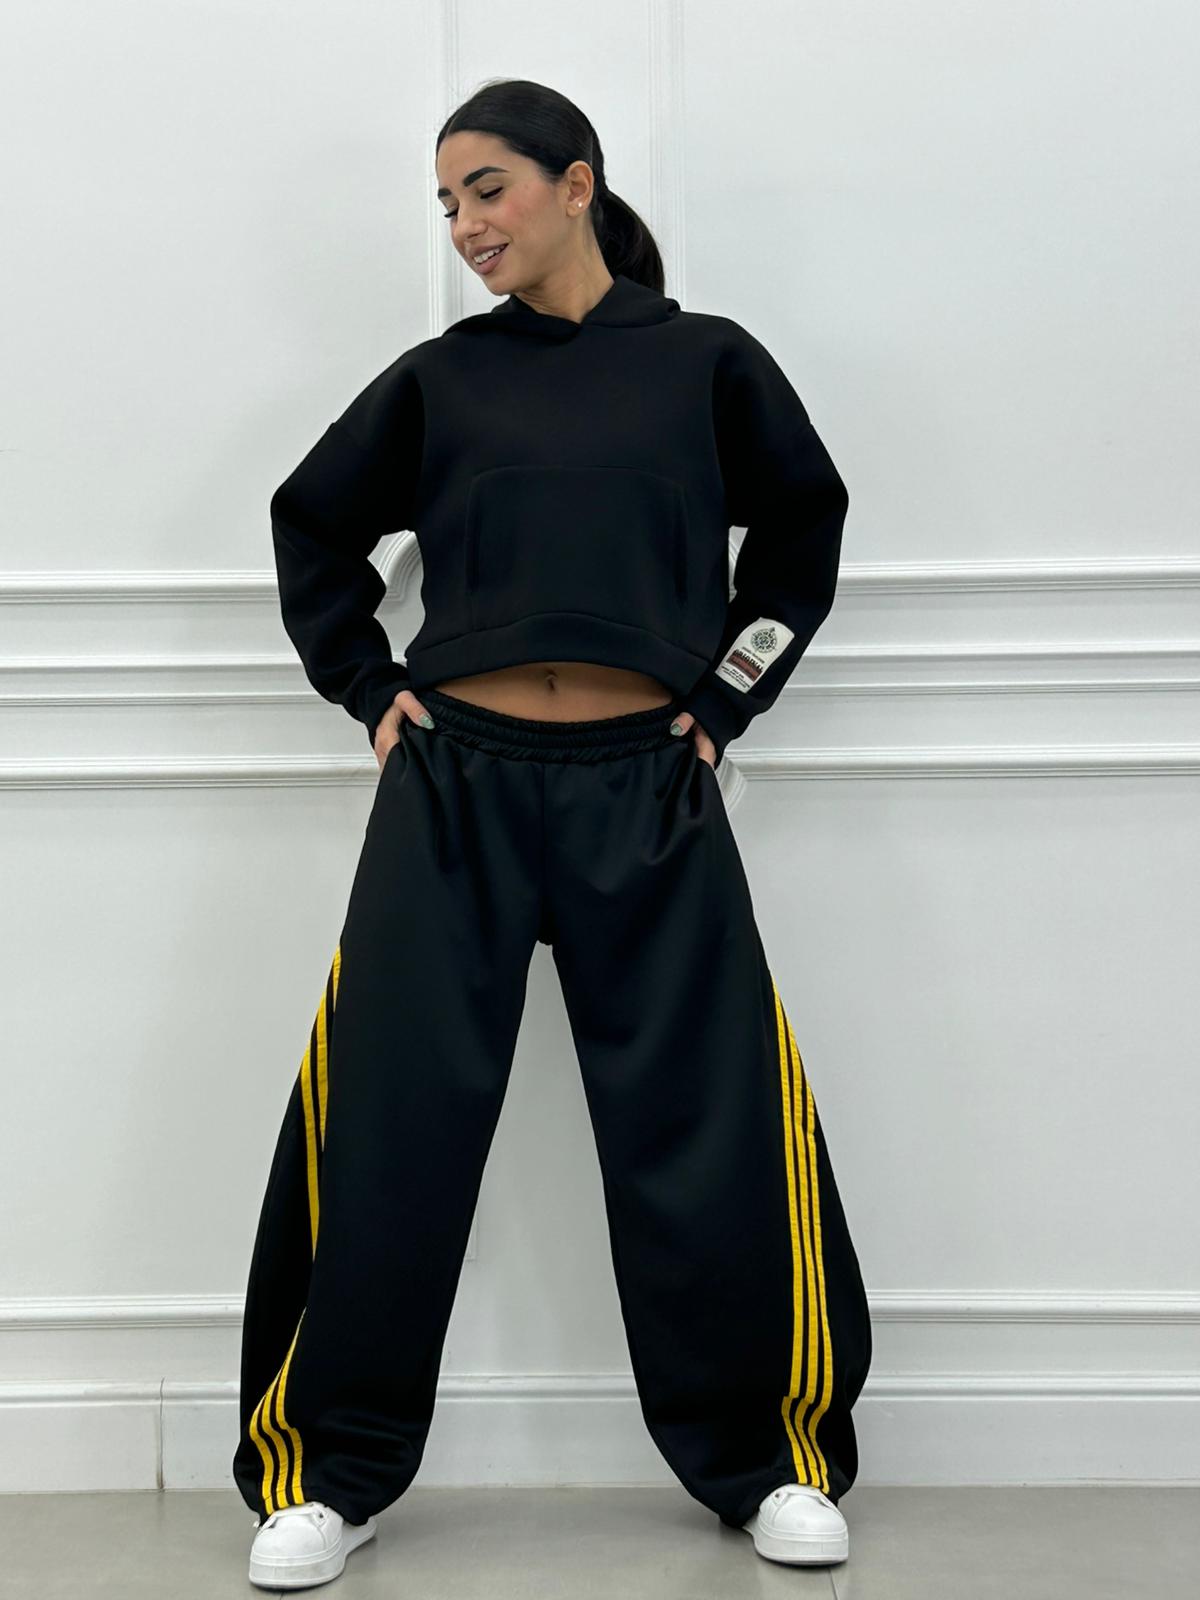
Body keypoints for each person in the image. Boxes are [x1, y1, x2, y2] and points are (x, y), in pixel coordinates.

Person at [233, 77, 872, 1590]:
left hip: (647, 787)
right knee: (385, 1119)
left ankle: (772, 1457)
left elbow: (803, 536)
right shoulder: (441, 381)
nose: (466, 226)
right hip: (453, 786)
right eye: (447, 204)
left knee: (709, 1118)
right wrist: (370, 688)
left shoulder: (708, 364)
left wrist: (725, 699)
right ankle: (324, 1472)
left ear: (576, 180)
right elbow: (312, 525)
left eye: (489, 188)